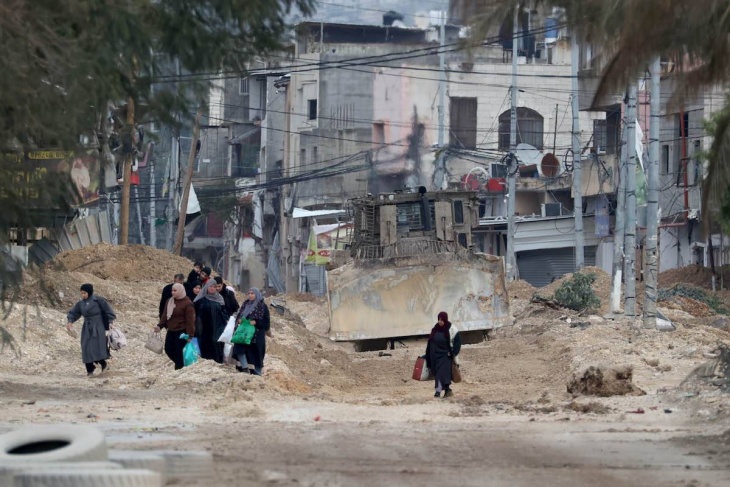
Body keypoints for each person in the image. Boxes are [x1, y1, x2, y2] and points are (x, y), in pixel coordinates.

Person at [66, 283, 117, 377]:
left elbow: (108, 310)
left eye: (84, 293)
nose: (83, 295)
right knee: (85, 346)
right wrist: (70, 321)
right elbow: (74, 313)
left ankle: (103, 364)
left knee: (97, 346)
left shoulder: (98, 300)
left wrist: (110, 322)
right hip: (87, 327)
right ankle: (89, 370)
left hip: (98, 326)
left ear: (89, 292)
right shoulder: (81, 303)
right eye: (81, 293)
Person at [154, 283, 195, 370]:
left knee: (178, 351)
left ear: (180, 291)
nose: (173, 292)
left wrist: (190, 335)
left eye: (175, 291)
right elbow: (165, 315)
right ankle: (180, 364)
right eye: (172, 290)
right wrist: (160, 326)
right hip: (171, 330)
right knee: (168, 349)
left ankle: (179, 368)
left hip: (181, 332)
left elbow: (190, 321)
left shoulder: (188, 303)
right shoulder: (170, 301)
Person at [232, 287, 270, 376]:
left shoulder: (262, 306)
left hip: (256, 335)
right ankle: (244, 368)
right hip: (243, 334)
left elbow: (266, 323)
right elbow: (239, 316)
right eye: (249, 293)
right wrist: (239, 320)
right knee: (239, 349)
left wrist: (256, 322)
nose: (250, 295)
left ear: (257, 295)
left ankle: (257, 374)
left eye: (252, 293)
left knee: (256, 355)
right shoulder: (245, 304)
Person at [425, 311, 461, 398]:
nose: (440, 321)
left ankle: (438, 391)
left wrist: (453, 353)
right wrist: (427, 354)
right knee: (439, 374)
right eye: (439, 319)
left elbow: (458, 343)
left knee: (441, 373)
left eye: (441, 320)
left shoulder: (452, 329)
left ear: (445, 319)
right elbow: (430, 342)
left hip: (445, 355)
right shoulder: (435, 329)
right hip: (435, 355)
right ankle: (448, 390)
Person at [193, 279, 228, 363]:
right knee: (205, 346)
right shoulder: (201, 300)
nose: (212, 288)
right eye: (210, 286)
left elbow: (224, 312)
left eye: (214, 287)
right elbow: (195, 313)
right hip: (204, 328)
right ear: (206, 287)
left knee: (217, 347)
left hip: (218, 328)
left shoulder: (220, 299)